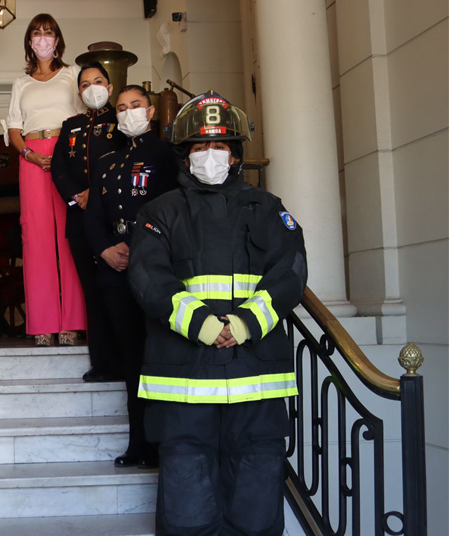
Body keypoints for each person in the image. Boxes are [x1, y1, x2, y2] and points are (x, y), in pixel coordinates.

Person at [128, 91, 307, 535]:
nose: (211, 155)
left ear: (236, 154)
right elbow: (148, 278)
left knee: (257, 506)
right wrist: (205, 325)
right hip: (185, 383)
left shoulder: (269, 209)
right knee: (188, 511)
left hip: (255, 383)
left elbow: (290, 273)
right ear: (184, 156)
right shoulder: (157, 213)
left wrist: (244, 324)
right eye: (200, 147)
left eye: (221, 146)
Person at [85, 84, 178, 468]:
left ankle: (161, 444)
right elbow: (92, 215)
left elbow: (174, 213)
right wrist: (105, 248)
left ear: (151, 111)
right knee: (130, 362)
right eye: (121, 107)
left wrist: (141, 250)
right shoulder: (108, 161)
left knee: (157, 358)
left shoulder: (168, 156)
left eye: (135, 105)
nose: (128, 113)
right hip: (115, 272)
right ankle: (137, 444)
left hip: (154, 271)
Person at [5, 13, 86, 346]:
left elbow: (85, 116)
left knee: (70, 236)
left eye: (48, 32)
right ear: (29, 41)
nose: (42, 38)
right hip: (32, 157)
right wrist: (29, 154)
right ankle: (42, 323)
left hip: (66, 152)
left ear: (57, 40)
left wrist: (72, 155)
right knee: (36, 241)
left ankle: (71, 322)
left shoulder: (72, 75)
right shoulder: (20, 83)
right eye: (36, 33)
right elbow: (13, 128)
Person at [51, 62, 127, 380]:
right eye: (85, 84)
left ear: (109, 88)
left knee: (117, 292)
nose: (91, 87)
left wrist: (95, 194)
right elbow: (58, 168)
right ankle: (102, 363)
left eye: (98, 81)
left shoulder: (122, 120)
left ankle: (126, 360)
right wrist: (78, 194)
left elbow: (126, 163)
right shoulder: (71, 125)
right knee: (92, 293)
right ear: (79, 92)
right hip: (79, 220)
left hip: (112, 220)